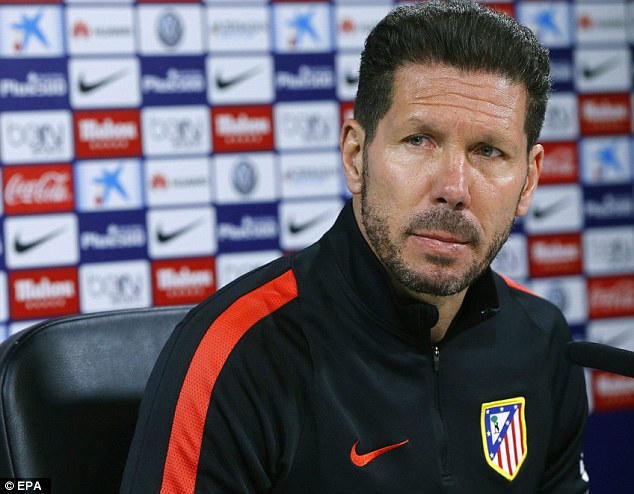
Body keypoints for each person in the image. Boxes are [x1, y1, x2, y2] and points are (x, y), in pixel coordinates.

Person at [120, 2, 589, 493]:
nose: (454, 187)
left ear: (530, 179)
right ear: (355, 156)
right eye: (419, 140)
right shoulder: (234, 357)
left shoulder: (542, 341)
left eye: (489, 151)